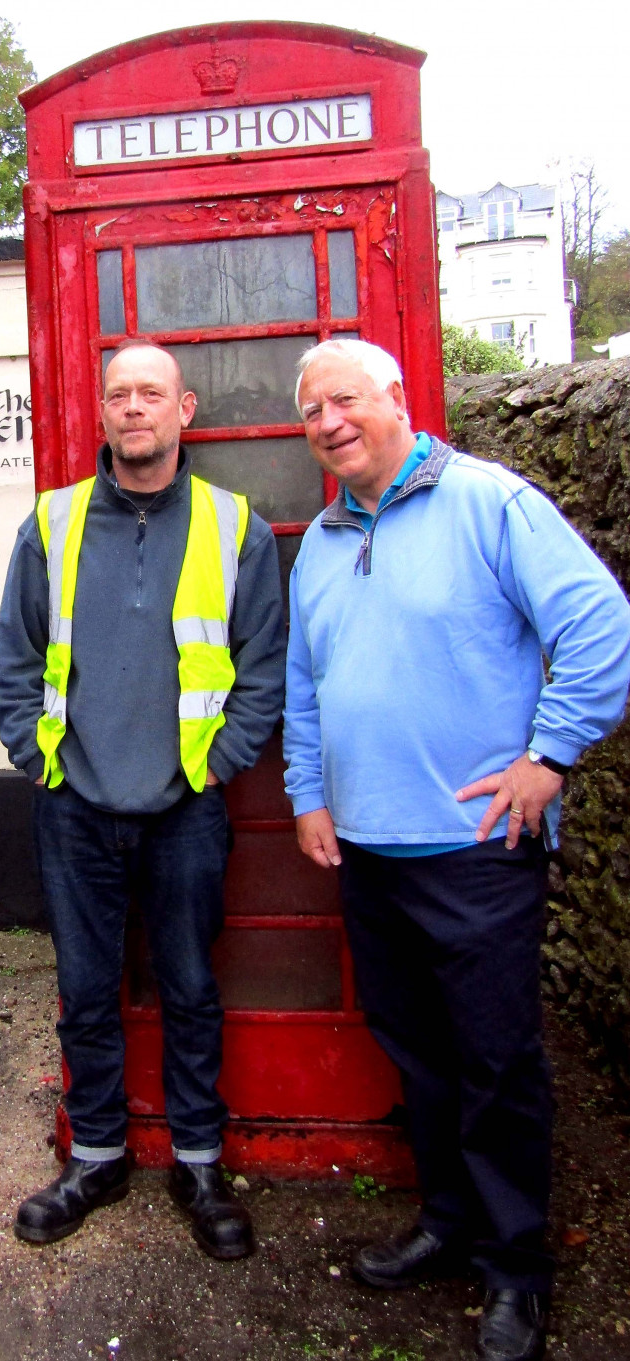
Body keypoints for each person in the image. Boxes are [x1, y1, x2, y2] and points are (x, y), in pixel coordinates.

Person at [283, 338, 630, 1361]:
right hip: (368, 846)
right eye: (309, 413)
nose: (327, 423)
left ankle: (515, 1263)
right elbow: (308, 681)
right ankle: (446, 1220)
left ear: (395, 398)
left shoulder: (491, 503)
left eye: (342, 400)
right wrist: (309, 792)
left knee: (494, 1059)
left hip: (475, 846)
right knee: (420, 1054)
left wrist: (549, 755)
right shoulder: (321, 538)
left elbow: (599, 625)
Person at [0, 339, 285, 1259]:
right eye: (118, 394)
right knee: (85, 989)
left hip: (185, 804)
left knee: (192, 986)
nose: (133, 408)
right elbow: (15, 651)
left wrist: (214, 764)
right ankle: (97, 1155)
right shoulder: (54, 521)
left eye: (150, 393)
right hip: (75, 802)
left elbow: (263, 671)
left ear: (184, 408)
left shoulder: (239, 527)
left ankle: (199, 1159)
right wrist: (32, 756)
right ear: (104, 412)